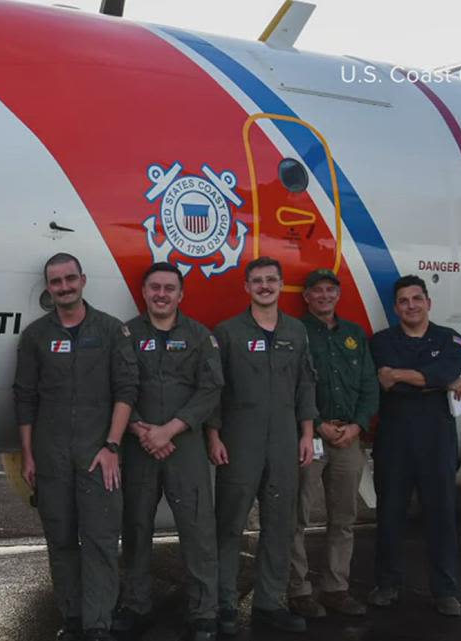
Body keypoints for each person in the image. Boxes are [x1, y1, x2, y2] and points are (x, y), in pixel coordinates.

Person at [13, 253, 138, 641]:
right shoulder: (36, 336)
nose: (64, 287)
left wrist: (112, 446)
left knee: (100, 540)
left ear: (82, 280)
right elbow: (25, 398)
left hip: (98, 454)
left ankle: (98, 624)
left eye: (70, 279)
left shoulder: (112, 330)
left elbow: (126, 390)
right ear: (48, 288)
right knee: (61, 538)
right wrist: (28, 454)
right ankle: (72, 619)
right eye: (56, 282)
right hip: (51, 457)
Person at [207, 256, 318, 635]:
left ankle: (270, 603)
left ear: (281, 284)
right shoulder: (227, 332)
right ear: (247, 287)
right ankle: (222, 604)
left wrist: (307, 434)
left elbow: (305, 384)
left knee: (279, 526)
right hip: (239, 440)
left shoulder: (297, 331)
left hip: (285, 441)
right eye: (258, 281)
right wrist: (213, 434)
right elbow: (214, 389)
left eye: (272, 280)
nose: (265, 286)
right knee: (229, 524)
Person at [114, 262, 223, 641]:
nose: (161, 294)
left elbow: (210, 390)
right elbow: (117, 385)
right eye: (154, 288)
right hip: (140, 445)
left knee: (197, 530)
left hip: (184, 445)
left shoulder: (198, 336)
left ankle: (203, 611)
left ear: (181, 295)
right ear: (144, 292)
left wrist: (169, 430)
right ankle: (135, 604)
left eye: (169, 288)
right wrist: (142, 429)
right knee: (136, 527)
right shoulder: (125, 334)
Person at [367, 275, 461, 617]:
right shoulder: (381, 341)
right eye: (404, 301)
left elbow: (446, 371)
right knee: (390, 515)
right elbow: (388, 380)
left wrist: (403, 375)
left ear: (428, 302)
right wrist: (434, 381)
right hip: (394, 441)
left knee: (441, 516)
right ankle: (386, 584)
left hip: (437, 442)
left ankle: (445, 591)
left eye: (416, 298)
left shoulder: (450, 339)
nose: (411, 305)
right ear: (395, 308)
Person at [287, 269, 378, 618]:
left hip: (348, 439)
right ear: (306, 297)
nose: (324, 296)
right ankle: (298, 590)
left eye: (330, 290)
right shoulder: (295, 332)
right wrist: (316, 424)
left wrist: (357, 425)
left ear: (337, 295)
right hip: (311, 437)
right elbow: (292, 385)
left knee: (343, 518)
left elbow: (369, 384)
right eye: (317, 291)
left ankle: (336, 588)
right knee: (297, 516)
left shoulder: (354, 334)